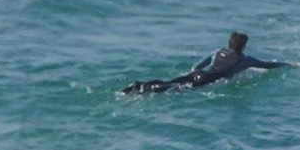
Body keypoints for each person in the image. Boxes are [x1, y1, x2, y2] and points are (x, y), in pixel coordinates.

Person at [121, 31, 289, 95]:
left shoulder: (216, 51)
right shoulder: (244, 60)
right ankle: (144, 89)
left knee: (171, 83)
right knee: (173, 90)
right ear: (243, 46)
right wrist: (289, 65)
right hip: (206, 80)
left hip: (197, 74)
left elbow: (197, 66)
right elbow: (268, 65)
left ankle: (139, 85)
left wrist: (192, 74)